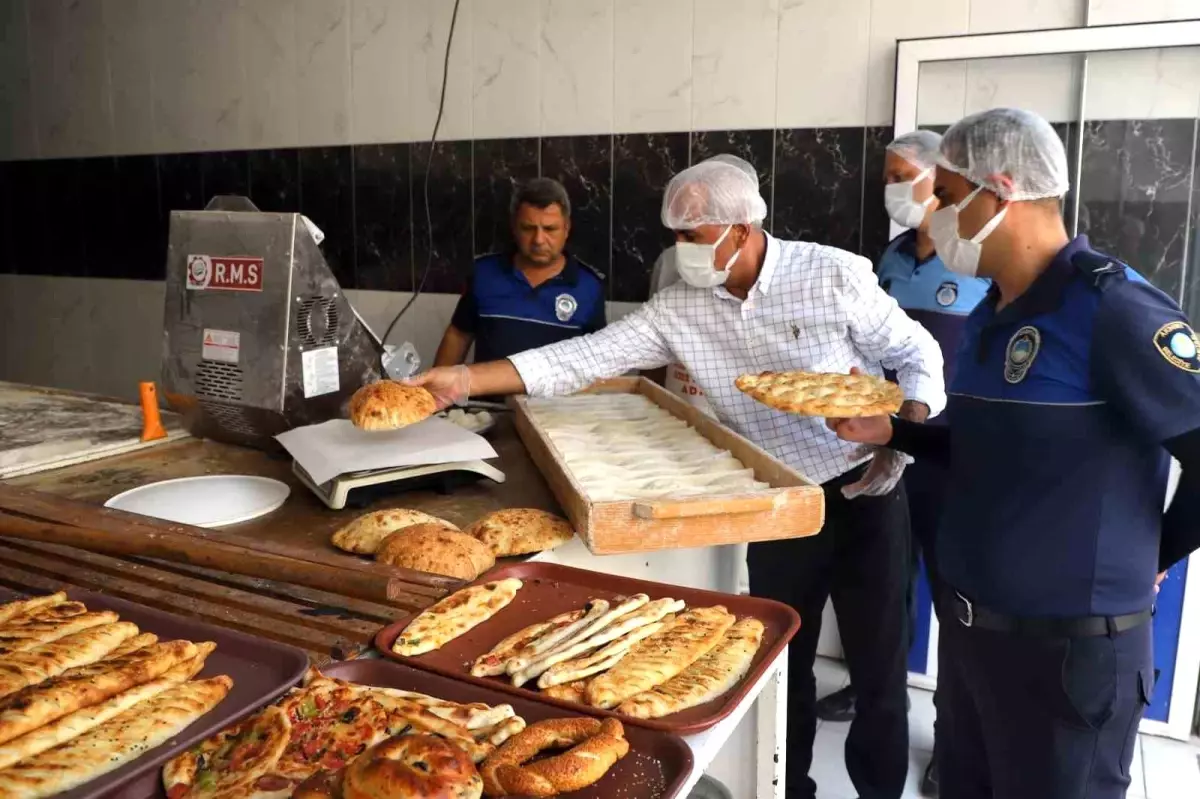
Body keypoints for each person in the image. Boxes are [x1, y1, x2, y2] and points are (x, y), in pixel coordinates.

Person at [411, 156, 947, 799]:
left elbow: (917, 353)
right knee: (784, 663)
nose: (681, 250)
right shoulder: (681, 308)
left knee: (879, 667)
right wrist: (466, 379)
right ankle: (792, 791)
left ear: (742, 229)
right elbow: (583, 357)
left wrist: (901, 436)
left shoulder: (831, 274)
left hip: (866, 487)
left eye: (693, 237)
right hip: (774, 499)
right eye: (676, 236)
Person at [828, 107, 1200, 799]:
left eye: (943, 196)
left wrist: (1156, 555)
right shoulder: (995, 315)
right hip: (975, 644)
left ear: (996, 192)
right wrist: (894, 433)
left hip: (1070, 657)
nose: (934, 214)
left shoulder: (1113, 309)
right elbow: (986, 445)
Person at [815, 129, 989, 797]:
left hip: (948, 451)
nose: (891, 188)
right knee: (887, 586)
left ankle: (952, 736)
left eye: (903, 176)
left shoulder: (973, 257)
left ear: (938, 182)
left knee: (952, 597)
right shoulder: (886, 258)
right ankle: (871, 687)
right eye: (886, 176)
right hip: (883, 442)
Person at [433, 177, 606, 367]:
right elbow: (458, 335)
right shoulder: (484, 275)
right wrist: (434, 394)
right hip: (487, 396)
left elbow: (598, 362)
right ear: (514, 228)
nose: (539, 239)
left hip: (557, 398)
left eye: (549, 229)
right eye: (528, 228)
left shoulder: (589, 287)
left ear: (566, 229)